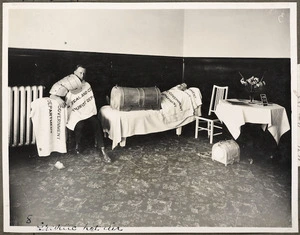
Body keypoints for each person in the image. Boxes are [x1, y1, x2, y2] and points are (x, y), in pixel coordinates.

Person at [49, 65, 111, 163]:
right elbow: (52, 94)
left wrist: (87, 111)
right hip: (75, 113)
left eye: (83, 73)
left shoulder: (86, 85)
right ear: (74, 72)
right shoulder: (67, 84)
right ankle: (77, 145)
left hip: (86, 112)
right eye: (79, 73)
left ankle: (102, 150)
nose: (81, 75)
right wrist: (57, 99)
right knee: (79, 125)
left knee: (96, 123)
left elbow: (89, 101)